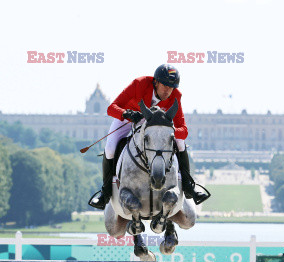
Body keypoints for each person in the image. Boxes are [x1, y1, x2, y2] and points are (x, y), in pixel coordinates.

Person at [89, 64, 209, 209]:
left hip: (159, 127)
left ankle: (190, 188)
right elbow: (111, 108)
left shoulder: (175, 96)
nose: (168, 91)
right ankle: (105, 193)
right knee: (109, 149)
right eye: (165, 85)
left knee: (181, 143)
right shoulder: (139, 84)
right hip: (129, 119)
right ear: (156, 82)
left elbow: (183, 130)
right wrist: (126, 113)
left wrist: (168, 131)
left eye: (171, 87)